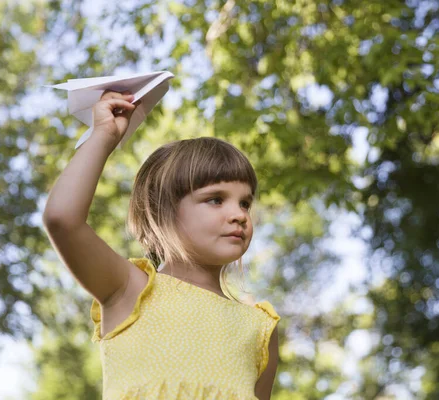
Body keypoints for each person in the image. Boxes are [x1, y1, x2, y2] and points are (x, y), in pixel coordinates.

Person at [42, 89, 280, 400]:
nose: (238, 215)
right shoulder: (130, 289)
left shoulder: (260, 328)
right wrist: (103, 135)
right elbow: (62, 219)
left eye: (245, 203)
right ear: (163, 210)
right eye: (216, 199)